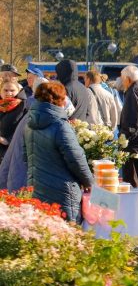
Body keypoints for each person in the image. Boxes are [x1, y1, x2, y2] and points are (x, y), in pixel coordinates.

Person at [22, 81, 94, 223]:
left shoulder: (29, 125)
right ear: (60, 100)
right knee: (66, 236)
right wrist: (89, 182)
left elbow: (26, 156)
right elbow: (76, 159)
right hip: (63, 192)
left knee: (45, 234)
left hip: (37, 188)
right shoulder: (60, 126)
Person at [55, 58, 100, 125]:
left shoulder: (66, 89)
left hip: (69, 128)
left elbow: (61, 113)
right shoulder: (83, 87)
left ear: (63, 72)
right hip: (81, 127)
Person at [0, 78, 27, 161]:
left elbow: (25, 128)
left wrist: (8, 140)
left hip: (12, 150)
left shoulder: (23, 106)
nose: (9, 93)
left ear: (18, 91)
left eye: (12, 90)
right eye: (5, 90)